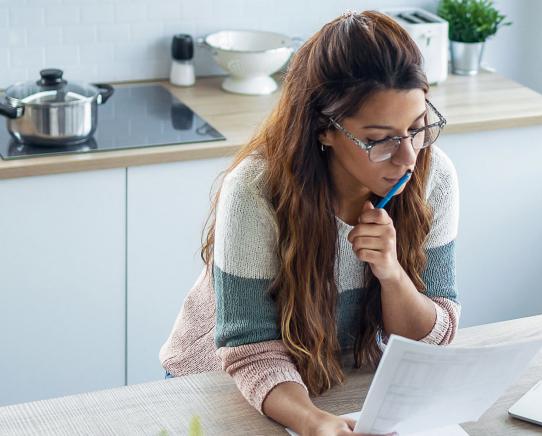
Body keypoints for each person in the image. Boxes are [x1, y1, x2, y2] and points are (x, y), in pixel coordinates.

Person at [159, 9, 460, 436]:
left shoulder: (434, 176)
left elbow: (432, 339)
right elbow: (251, 353)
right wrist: (314, 422)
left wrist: (392, 275)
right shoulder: (256, 189)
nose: (408, 156)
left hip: (340, 379)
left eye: (417, 127)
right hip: (225, 385)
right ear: (324, 129)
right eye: (379, 140)